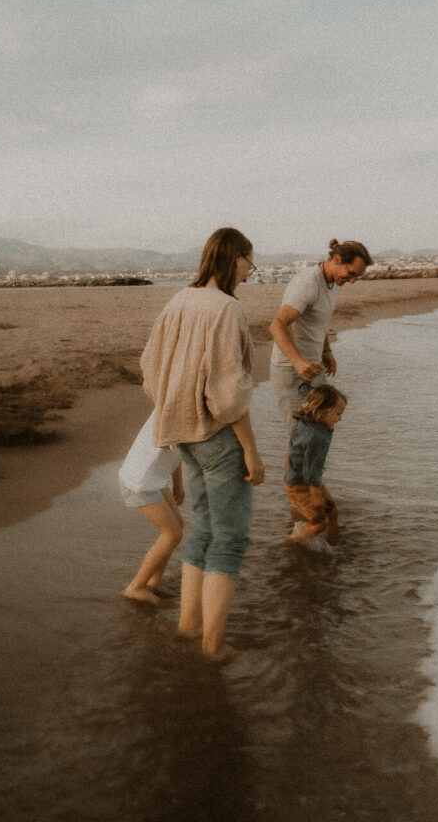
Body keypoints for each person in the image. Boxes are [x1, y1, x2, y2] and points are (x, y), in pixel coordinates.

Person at [140, 227, 265, 662]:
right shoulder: (227, 309)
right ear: (234, 258)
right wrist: (251, 449)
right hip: (216, 436)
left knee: (205, 529)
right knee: (229, 540)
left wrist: (176, 408)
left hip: (182, 435)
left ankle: (188, 624)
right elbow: (231, 396)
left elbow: (150, 368)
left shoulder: (178, 300)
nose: (251, 271)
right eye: (250, 262)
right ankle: (212, 645)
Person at [269, 238, 372, 435]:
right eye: (351, 274)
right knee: (300, 437)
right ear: (337, 259)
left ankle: (314, 467)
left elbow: (318, 321)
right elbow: (277, 325)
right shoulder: (307, 283)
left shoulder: (333, 282)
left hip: (314, 366)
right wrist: (298, 362)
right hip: (290, 370)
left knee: (323, 428)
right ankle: (298, 467)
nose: (352, 281)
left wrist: (326, 350)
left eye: (356, 277)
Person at [119, 410, 185, 605]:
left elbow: (177, 453)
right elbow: (176, 443)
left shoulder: (182, 409)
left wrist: (178, 484)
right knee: (172, 534)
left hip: (155, 477)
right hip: (139, 480)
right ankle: (135, 587)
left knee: (178, 526)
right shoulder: (174, 411)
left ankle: (154, 581)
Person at [284, 382, 346, 542]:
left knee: (332, 510)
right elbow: (311, 468)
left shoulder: (310, 416)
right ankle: (291, 542)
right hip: (300, 485)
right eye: (338, 414)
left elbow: (305, 391)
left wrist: (305, 380)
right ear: (323, 412)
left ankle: (333, 543)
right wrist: (315, 495)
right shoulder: (315, 437)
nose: (340, 419)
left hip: (308, 479)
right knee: (320, 523)